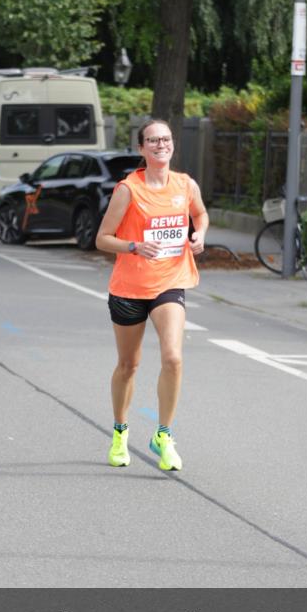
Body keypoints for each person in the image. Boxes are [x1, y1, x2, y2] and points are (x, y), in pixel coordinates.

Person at [95, 119, 209, 472]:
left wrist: (199, 235)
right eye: (153, 140)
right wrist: (133, 246)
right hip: (129, 287)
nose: (161, 145)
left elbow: (200, 214)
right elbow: (102, 238)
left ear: (173, 144)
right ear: (142, 149)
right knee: (129, 365)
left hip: (170, 281)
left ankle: (164, 435)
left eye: (166, 139)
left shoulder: (185, 184)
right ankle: (119, 431)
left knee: (173, 358)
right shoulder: (129, 189)